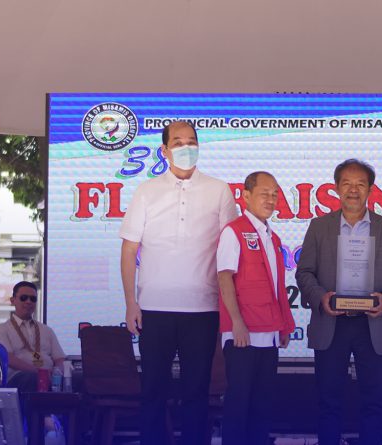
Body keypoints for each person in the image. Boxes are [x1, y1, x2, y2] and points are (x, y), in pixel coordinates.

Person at [119, 121, 237, 445]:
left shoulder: (219, 189)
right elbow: (129, 249)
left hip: (202, 308)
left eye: (192, 141)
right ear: (164, 150)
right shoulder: (147, 190)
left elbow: (231, 249)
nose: (186, 147)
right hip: (154, 307)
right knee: (153, 392)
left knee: (197, 394)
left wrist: (229, 310)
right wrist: (131, 303)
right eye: (178, 142)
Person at [296, 159, 382, 445]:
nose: (353, 190)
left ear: (370, 189)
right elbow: (304, 272)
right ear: (336, 188)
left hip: (372, 325)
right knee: (329, 401)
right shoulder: (320, 227)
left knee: (374, 402)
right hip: (331, 323)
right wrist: (321, 297)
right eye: (346, 183)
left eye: (360, 184)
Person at [216, 171, 295, 445]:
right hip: (243, 334)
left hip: (269, 331)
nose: (271, 199)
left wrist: (284, 325)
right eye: (264, 193)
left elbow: (275, 287)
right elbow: (224, 276)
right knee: (239, 403)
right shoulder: (234, 231)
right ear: (246, 196)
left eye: (275, 194)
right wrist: (236, 322)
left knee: (262, 404)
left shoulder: (272, 237)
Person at [0, 281, 65, 392]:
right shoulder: (1, 330)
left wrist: (58, 374)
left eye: (33, 299)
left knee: (78, 378)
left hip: (50, 376)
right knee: (32, 378)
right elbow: (8, 358)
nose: (28, 302)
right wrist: (40, 373)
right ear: (13, 301)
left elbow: (59, 359)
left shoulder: (46, 330)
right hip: (19, 378)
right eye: (23, 298)